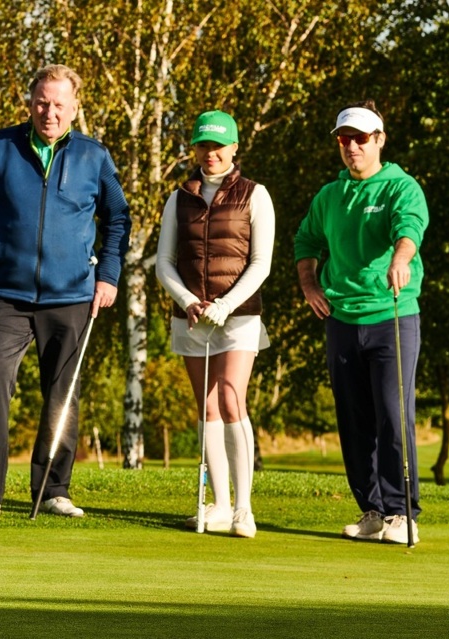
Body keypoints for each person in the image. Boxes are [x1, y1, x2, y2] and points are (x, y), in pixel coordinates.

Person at [0, 64, 132, 518]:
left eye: (59, 104)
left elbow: (118, 218)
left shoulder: (94, 157)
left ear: (75, 108)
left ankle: (52, 491)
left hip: (72, 296)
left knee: (63, 392)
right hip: (5, 293)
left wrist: (108, 275)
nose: (50, 112)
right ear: (30, 103)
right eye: (42, 103)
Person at [294, 100, 428, 545]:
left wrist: (401, 259)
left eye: (361, 138)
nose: (352, 146)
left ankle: (401, 512)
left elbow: (409, 228)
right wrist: (310, 286)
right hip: (342, 318)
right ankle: (372, 510)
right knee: (353, 419)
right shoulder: (329, 196)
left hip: (392, 314)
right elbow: (306, 241)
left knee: (393, 415)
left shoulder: (400, 186)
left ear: (379, 140)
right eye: (344, 139)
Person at [155, 110, 274, 539]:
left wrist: (225, 304)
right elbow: (164, 263)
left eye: (219, 146)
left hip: (238, 314)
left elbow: (261, 263)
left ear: (234, 147)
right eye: (204, 145)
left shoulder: (254, 194)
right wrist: (188, 301)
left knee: (229, 398)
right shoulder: (178, 198)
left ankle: (244, 509)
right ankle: (220, 506)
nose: (211, 153)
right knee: (206, 407)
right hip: (192, 316)